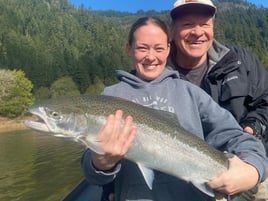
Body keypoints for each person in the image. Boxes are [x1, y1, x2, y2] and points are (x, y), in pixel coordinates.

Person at [81, 16, 268, 201]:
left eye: (159, 48)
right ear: (129, 49)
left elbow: (235, 135)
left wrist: (253, 169)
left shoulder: (190, 92)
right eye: (142, 48)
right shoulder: (109, 98)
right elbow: (94, 176)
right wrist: (101, 163)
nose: (151, 57)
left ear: (168, 49)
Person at [167, 0, 268, 199]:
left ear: (213, 27)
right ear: (171, 31)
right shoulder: (156, 75)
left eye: (204, 24)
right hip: (189, 176)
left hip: (252, 162)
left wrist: (253, 127)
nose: (197, 32)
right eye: (187, 24)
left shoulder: (239, 60)